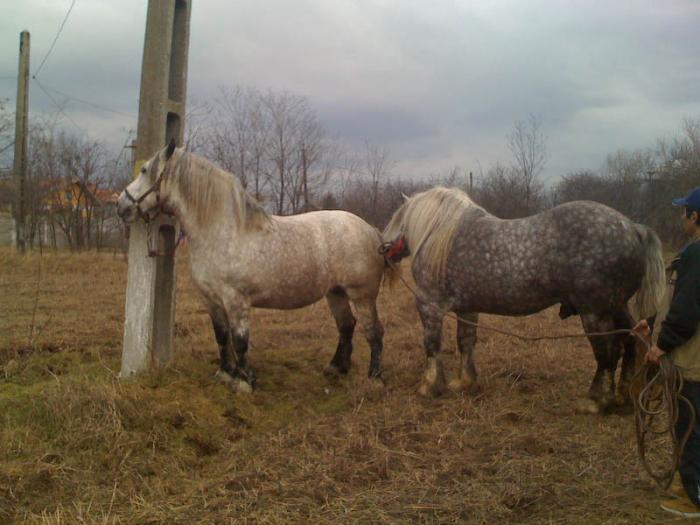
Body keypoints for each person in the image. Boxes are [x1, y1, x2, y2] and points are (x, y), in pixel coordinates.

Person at [634, 186, 700, 518]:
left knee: (690, 422)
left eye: (684, 211)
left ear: (695, 216)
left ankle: (693, 498)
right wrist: (652, 329)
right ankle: (688, 481)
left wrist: (661, 345)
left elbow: (687, 312)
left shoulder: (696, 254)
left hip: (694, 361)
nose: (681, 217)